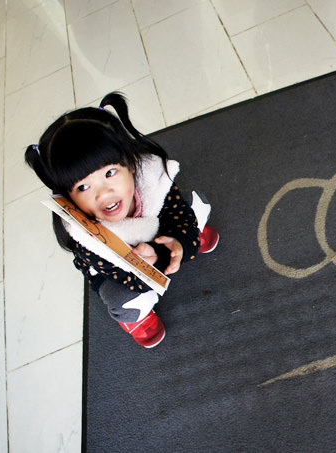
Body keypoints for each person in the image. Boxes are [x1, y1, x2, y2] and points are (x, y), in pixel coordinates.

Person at [25, 92, 219, 348]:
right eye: (83, 187)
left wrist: (182, 241)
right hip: (120, 271)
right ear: (69, 198)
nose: (103, 193)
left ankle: (188, 240)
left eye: (110, 172)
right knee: (124, 302)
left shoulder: (152, 180)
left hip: (159, 230)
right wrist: (159, 258)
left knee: (195, 204)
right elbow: (132, 280)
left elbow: (178, 213)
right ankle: (135, 320)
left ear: (131, 163)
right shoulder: (87, 239)